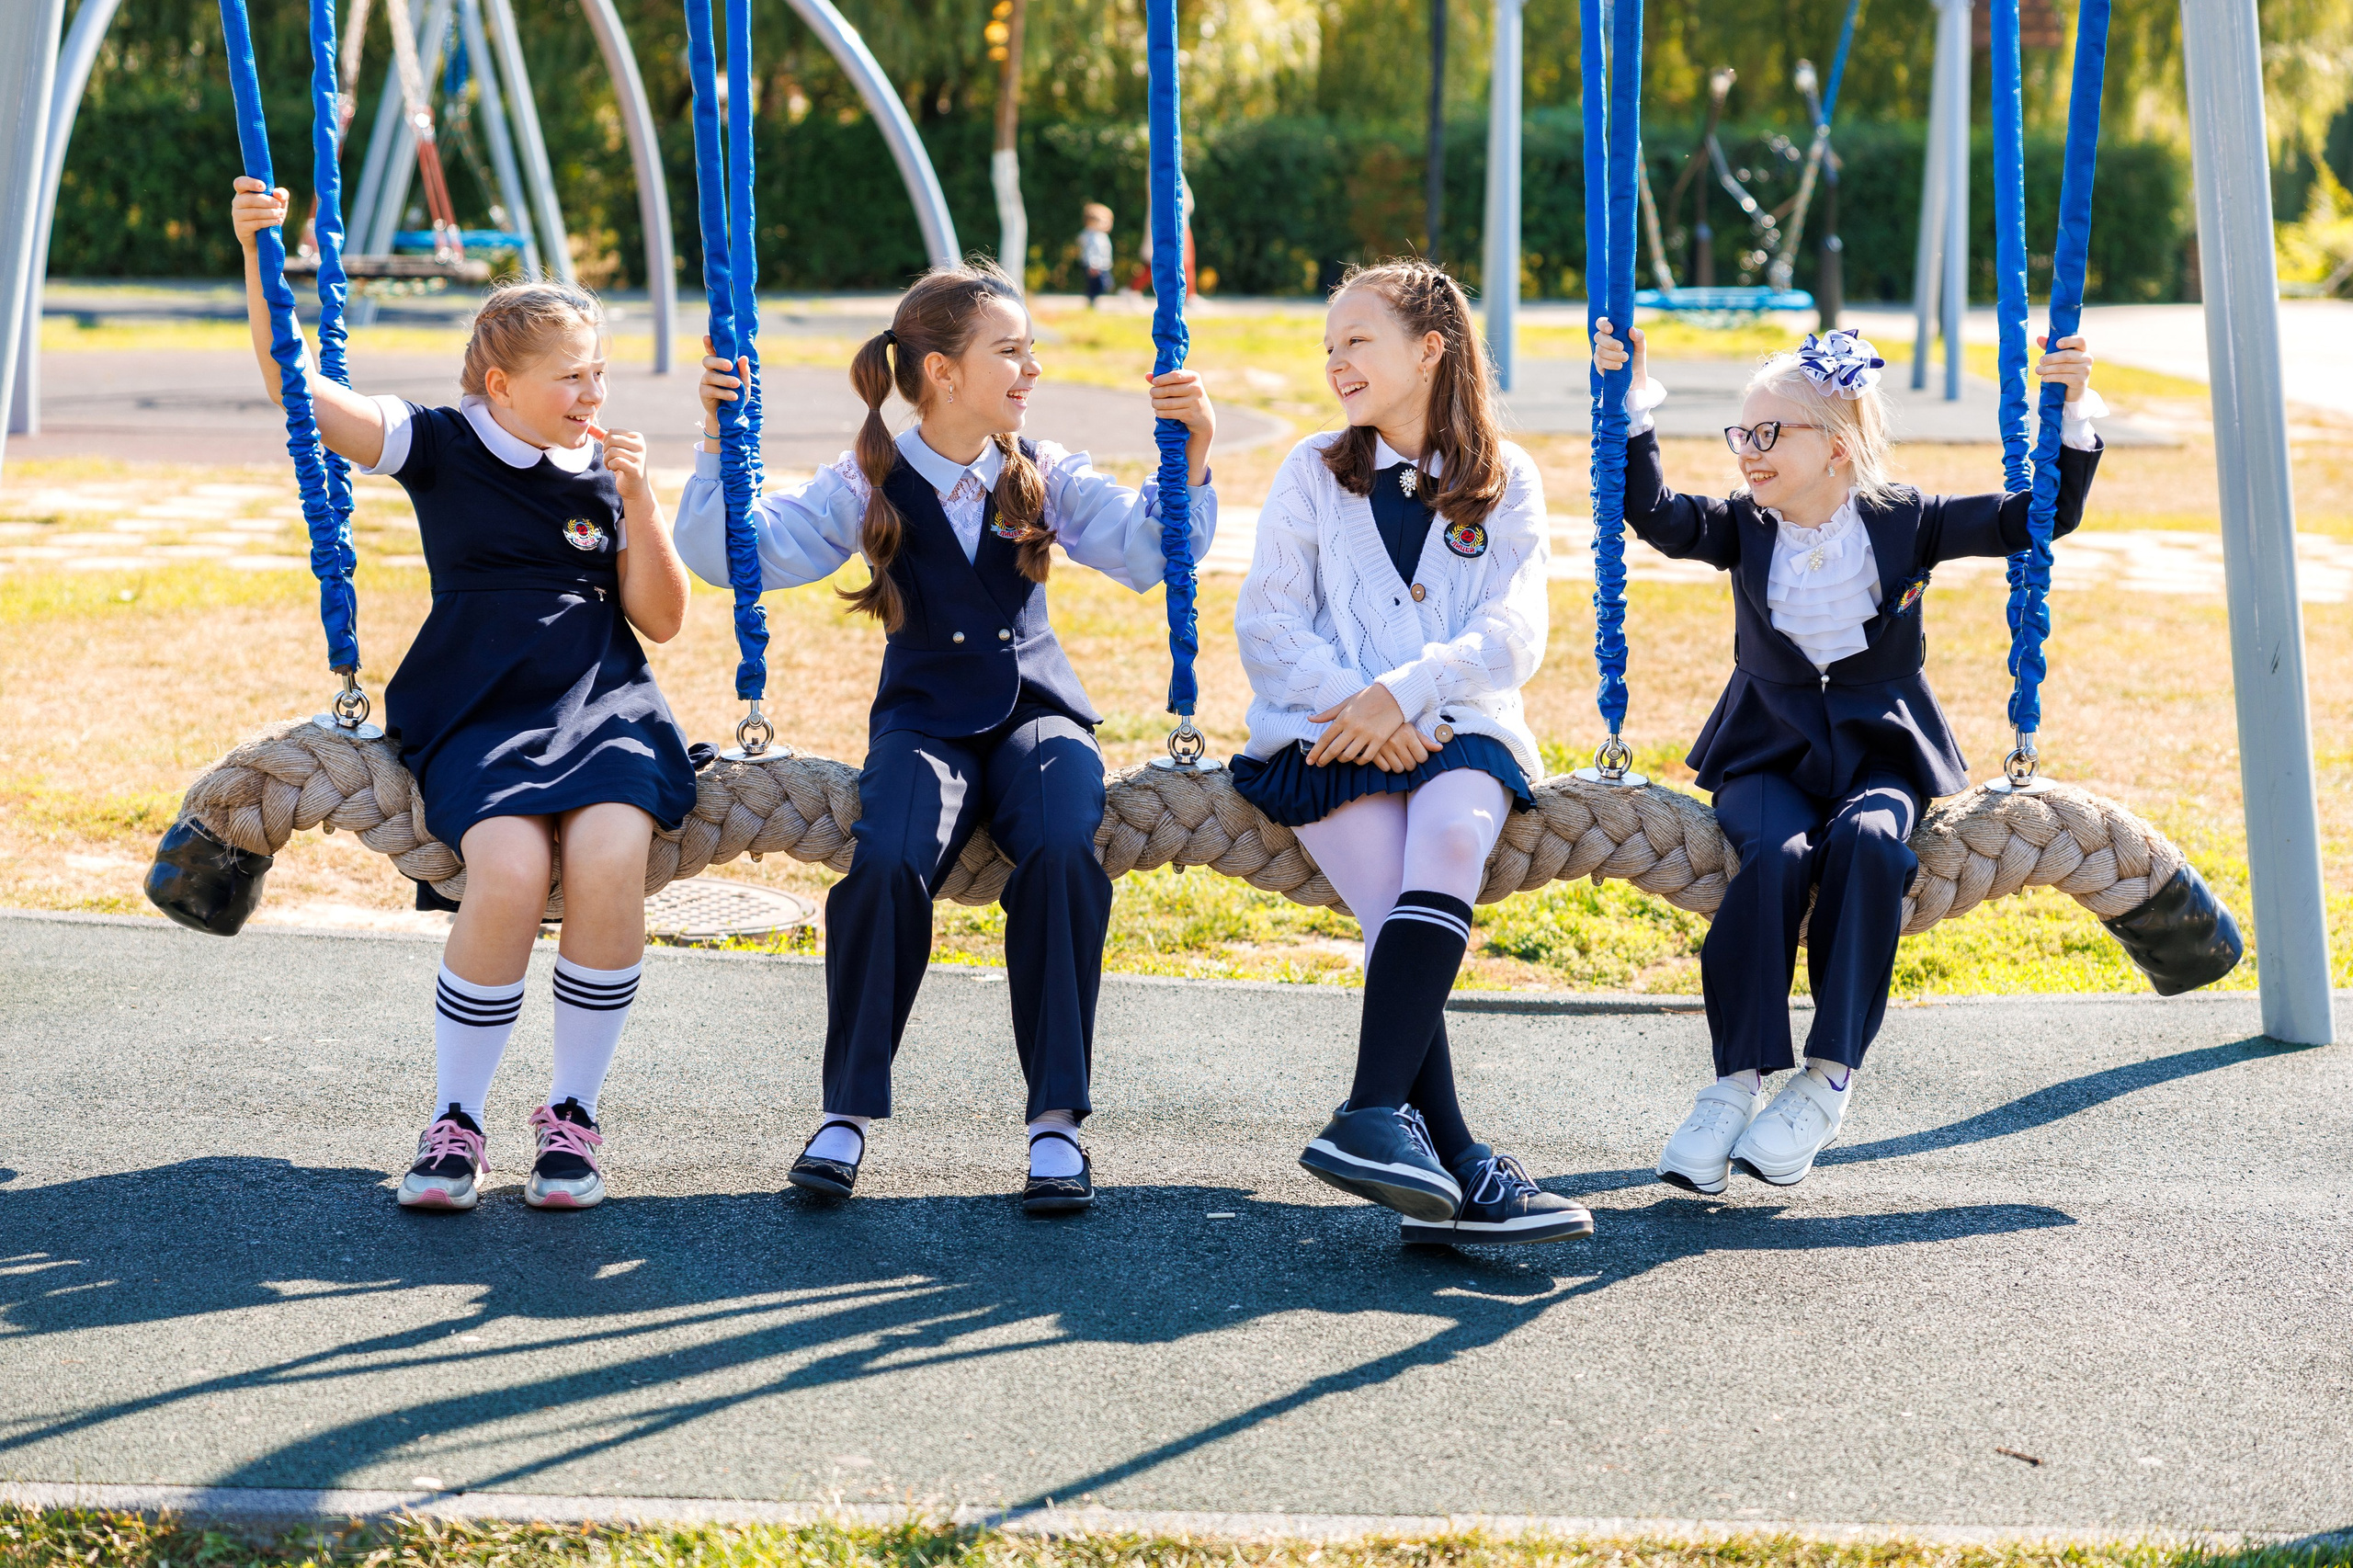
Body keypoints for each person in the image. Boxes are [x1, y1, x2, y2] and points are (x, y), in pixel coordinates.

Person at [674, 261, 1217, 1214]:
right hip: (922, 716)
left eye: (1032, 348)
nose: (1031, 368)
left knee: (1059, 852)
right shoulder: (870, 478)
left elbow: (1146, 555)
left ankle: (1055, 1122)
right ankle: (845, 1113)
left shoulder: (1044, 467)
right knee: (885, 860)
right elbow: (738, 555)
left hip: (1038, 713)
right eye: (1010, 350)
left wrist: (1194, 452)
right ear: (940, 371)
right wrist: (721, 437)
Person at [228, 177, 698, 1213]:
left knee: (612, 850)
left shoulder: (604, 475)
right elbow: (293, 384)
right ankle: (457, 1119)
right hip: (480, 704)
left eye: (599, 372)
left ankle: (571, 1114)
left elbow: (662, 618)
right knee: (512, 864)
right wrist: (260, 259)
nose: (593, 395)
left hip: (604, 699)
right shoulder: (440, 440)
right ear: (498, 382)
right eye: (572, 377)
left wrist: (641, 501)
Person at [1590, 320, 2105, 1192]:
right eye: (1740, 435)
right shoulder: (1744, 529)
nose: (1747, 453)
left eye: (1767, 434)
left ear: (1835, 447)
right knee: (1775, 856)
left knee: (1870, 846)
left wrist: (2073, 410)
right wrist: (1630, 401)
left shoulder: (1908, 522)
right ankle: (1735, 1081)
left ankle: (1827, 1078)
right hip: (1766, 752)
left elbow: (2038, 517)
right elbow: (1657, 516)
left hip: (1880, 750)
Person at [1231, 259, 1591, 1247]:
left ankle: (1373, 1114)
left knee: (1445, 842)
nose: (1337, 362)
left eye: (1357, 340)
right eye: (1329, 346)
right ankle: (1457, 1162)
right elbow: (1266, 623)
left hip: (1459, 728)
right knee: (1396, 905)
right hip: (1328, 734)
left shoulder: (1506, 478)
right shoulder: (1311, 469)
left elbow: (1515, 633)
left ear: (1429, 348)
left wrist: (1408, 690)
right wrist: (1363, 702)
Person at [1078, 203, 1114, 308]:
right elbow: (1091, 251)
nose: (1108, 224)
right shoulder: (1093, 237)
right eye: (1104, 221)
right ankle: (1091, 298)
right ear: (1091, 223)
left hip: (1103, 265)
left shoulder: (1102, 236)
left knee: (1105, 284)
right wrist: (1093, 264)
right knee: (1098, 284)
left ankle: (1092, 298)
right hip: (1095, 266)